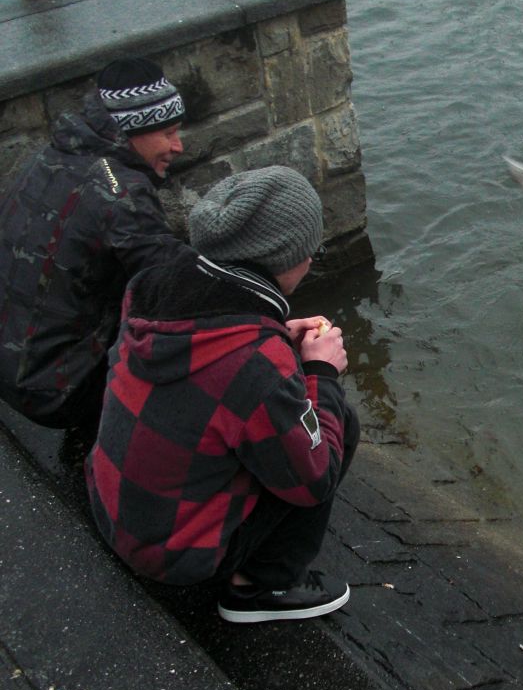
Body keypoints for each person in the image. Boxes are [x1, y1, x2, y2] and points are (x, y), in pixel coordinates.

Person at [84, 166, 360, 623]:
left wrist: (275, 341)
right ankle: (259, 590)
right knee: (337, 425)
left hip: (113, 506)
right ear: (285, 256)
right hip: (173, 555)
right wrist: (319, 372)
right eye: (311, 251)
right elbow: (314, 478)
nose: (312, 261)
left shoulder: (151, 287)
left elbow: (213, 377)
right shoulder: (255, 361)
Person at [0, 57, 188, 430]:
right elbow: (176, 285)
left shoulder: (49, 156)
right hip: (57, 394)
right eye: (168, 133)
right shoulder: (123, 193)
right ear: (133, 131)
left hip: (13, 369)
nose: (178, 146)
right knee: (191, 346)